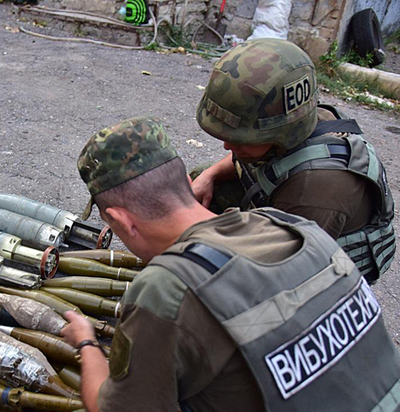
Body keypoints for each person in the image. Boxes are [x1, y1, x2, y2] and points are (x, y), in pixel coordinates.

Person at [62, 115, 400, 412]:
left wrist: (86, 343)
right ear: (186, 183)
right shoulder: (292, 225)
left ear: (122, 220)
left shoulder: (168, 287)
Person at [192, 38, 395, 284]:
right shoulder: (300, 122)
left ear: (281, 134)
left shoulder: (316, 186)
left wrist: (188, 219)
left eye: (239, 139)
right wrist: (210, 175)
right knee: (199, 183)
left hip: (319, 275)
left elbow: (274, 270)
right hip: (290, 216)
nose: (227, 146)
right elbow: (250, 160)